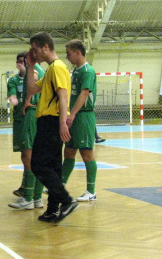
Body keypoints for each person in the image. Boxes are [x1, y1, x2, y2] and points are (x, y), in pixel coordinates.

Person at [25, 31, 77, 222]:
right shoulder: (50, 70)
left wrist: (62, 123)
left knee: (38, 165)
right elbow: (31, 90)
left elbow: (63, 97)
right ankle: (53, 209)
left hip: (52, 122)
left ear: (46, 47)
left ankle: (66, 200)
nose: (34, 53)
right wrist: (30, 66)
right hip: (49, 122)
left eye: (35, 49)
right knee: (54, 168)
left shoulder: (57, 68)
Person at [61, 39, 99, 202]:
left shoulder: (88, 71)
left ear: (77, 52)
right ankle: (59, 186)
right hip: (75, 116)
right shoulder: (75, 71)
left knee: (86, 153)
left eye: (69, 53)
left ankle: (91, 191)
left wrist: (72, 114)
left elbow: (84, 94)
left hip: (83, 116)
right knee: (69, 151)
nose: (67, 56)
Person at [7, 52, 45, 210]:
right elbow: (13, 93)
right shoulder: (15, 79)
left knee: (30, 157)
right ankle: (35, 196)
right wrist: (13, 98)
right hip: (24, 118)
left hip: (32, 114)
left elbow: (34, 80)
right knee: (29, 156)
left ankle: (29, 197)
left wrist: (27, 100)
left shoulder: (36, 70)